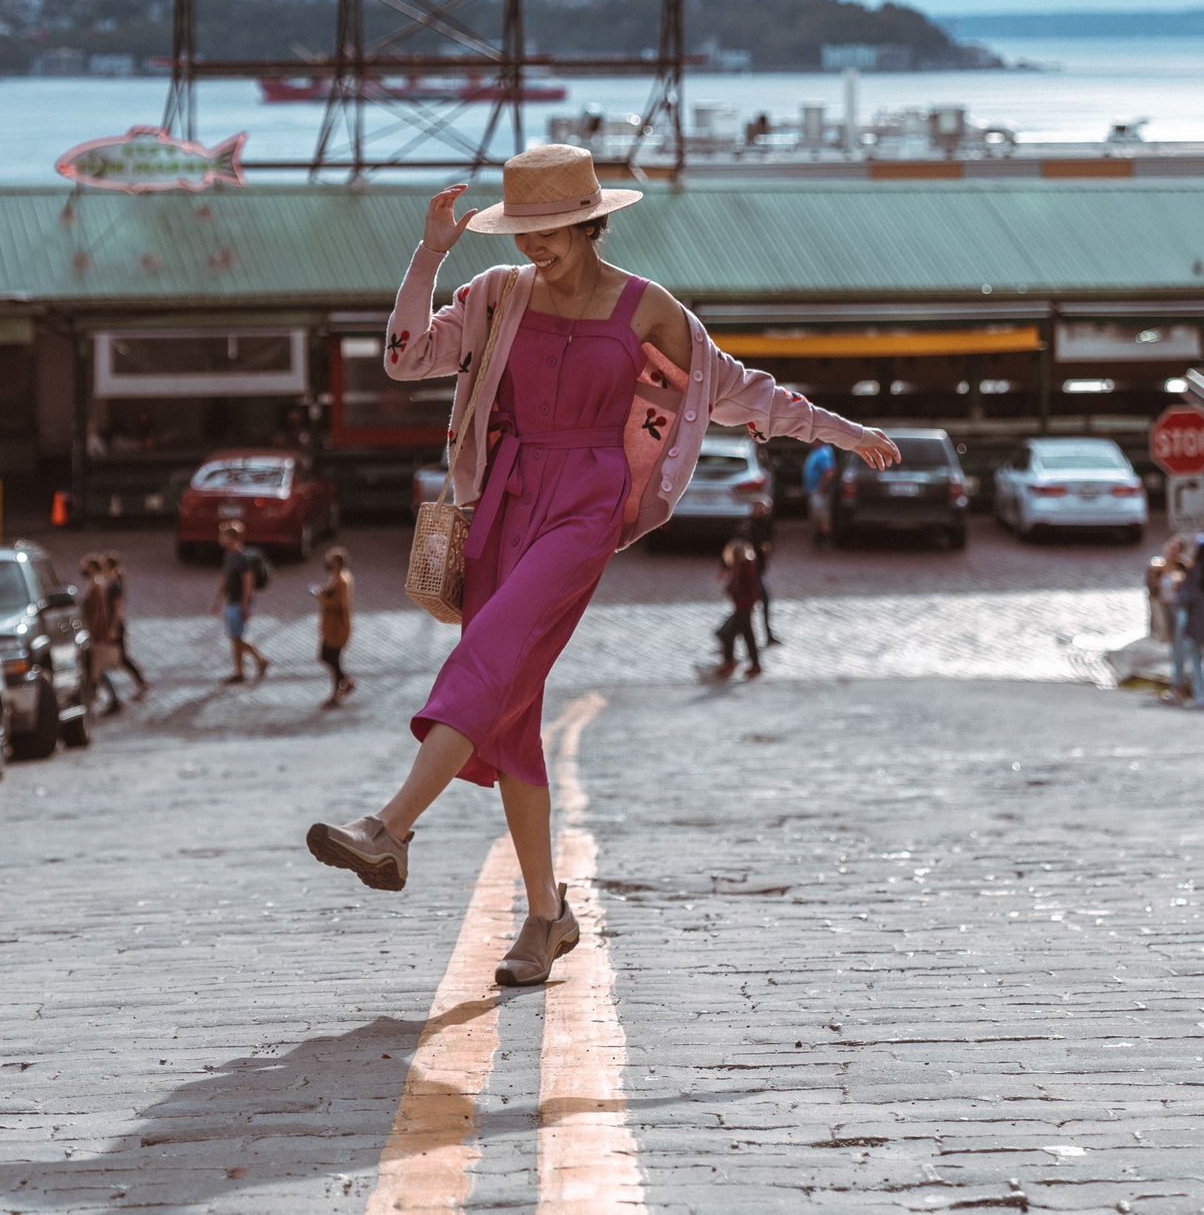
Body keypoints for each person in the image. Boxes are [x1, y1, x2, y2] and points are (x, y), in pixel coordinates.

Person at [306, 143, 898, 987]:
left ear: (590, 223)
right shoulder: (497, 295)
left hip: (586, 502)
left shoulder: (650, 310)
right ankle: (547, 917)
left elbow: (742, 393)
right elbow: (404, 355)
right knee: (509, 711)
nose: (532, 246)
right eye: (520, 230)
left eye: (548, 229)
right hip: (501, 502)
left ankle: (392, 826)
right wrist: (430, 252)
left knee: (491, 652)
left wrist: (846, 432)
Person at [213, 522, 269, 683]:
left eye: (223, 535)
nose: (220, 538)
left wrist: (245, 605)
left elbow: (248, 583)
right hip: (231, 601)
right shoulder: (229, 555)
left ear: (232, 537)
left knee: (237, 637)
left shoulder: (243, 559)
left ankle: (259, 660)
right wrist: (218, 599)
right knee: (235, 637)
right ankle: (240, 671)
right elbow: (225, 577)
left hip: (239, 603)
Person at [714, 530, 764, 678]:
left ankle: (729, 663)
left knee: (726, 633)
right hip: (743, 605)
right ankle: (754, 664)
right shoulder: (742, 562)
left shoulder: (745, 563)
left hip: (743, 606)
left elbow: (746, 586)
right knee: (748, 634)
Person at [312, 546, 356, 707]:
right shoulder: (335, 576)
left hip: (338, 627)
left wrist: (321, 596)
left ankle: (338, 692)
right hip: (330, 626)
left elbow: (339, 604)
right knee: (328, 657)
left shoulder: (343, 580)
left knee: (331, 658)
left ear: (337, 563)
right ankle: (345, 682)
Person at [79, 554, 122, 715]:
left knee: (97, 669)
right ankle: (108, 698)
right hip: (92, 633)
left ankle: (111, 699)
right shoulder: (93, 585)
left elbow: (100, 613)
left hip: (96, 634)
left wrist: (99, 632)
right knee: (98, 669)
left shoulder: (97, 586)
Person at [101, 553, 149, 695]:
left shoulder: (115, 585)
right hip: (110, 624)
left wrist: (114, 627)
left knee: (121, 657)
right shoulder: (109, 581)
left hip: (115, 625)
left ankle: (141, 682)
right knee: (114, 657)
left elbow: (117, 608)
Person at [1173, 537, 1204, 709]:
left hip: (1196, 625)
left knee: (1196, 659)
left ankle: (1200, 693)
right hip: (1197, 623)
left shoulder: (1194, 571)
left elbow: (1185, 598)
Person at [802, 441, 835, 549]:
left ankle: (825, 539)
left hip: (819, 491)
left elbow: (829, 472)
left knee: (823, 516)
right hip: (813, 489)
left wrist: (821, 488)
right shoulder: (816, 451)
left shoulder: (824, 452)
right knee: (817, 515)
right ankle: (819, 537)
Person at [756, 533, 781, 647]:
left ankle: (724, 631)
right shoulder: (747, 527)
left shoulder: (761, 523)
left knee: (746, 608)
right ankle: (724, 631)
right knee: (745, 609)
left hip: (757, 573)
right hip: (753, 574)